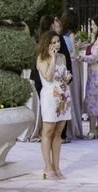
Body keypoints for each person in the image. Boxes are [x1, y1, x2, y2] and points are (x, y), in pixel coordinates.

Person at [30, 32, 71, 180]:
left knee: (58, 133)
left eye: (58, 42)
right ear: (47, 44)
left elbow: (63, 74)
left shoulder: (63, 57)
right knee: (48, 131)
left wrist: (67, 77)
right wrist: (53, 58)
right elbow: (48, 76)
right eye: (53, 42)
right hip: (49, 97)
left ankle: (56, 166)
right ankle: (47, 167)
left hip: (63, 96)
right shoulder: (42, 58)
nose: (57, 45)